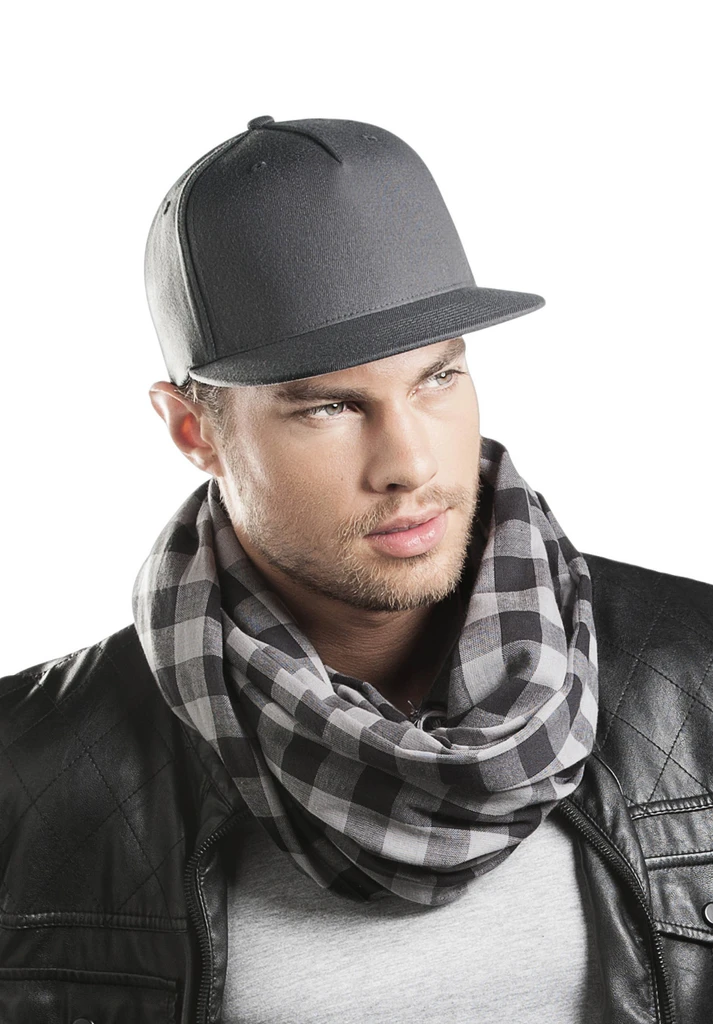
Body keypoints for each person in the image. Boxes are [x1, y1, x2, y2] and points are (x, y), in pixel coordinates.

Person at [1, 115, 711, 1024]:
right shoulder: (28, 770)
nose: (409, 464)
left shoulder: (697, 679)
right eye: (330, 407)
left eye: (436, 379)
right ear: (193, 430)